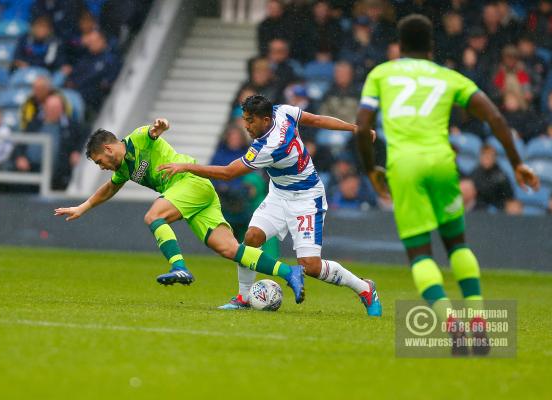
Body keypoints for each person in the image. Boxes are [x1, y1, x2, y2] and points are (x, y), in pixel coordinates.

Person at [355, 14, 540, 355]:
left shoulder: (381, 73)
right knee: (457, 245)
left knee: (420, 253)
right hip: (443, 163)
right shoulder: (449, 77)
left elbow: (362, 125)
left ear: (399, 45)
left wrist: (370, 170)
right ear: (431, 46)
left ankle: (450, 322)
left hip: (404, 167)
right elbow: (496, 118)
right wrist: (517, 164)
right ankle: (479, 322)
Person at [157, 95, 382, 316]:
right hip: (278, 195)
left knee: (310, 266)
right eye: (244, 119)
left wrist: (187, 167)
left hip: (306, 199)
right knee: (251, 238)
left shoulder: (270, 146)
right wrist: (356, 129)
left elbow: (228, 173)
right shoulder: (282, 111)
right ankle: (244, 297)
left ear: (265, 120)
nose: (245, 126)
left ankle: (365, 289)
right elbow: (315, 120)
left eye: (250, 121)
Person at [54, 119, 305, 304]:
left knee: (154, 216)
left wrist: (159, 127)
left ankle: (179, 266)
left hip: (188, 181)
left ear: (108, 149)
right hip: (198, 193)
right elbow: (109, 189)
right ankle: (289, 271)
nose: (101, 167)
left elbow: (153, 131)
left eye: (99, 161)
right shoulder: (123, 169)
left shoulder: (138, 138)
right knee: (229, 249)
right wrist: (82, 207)